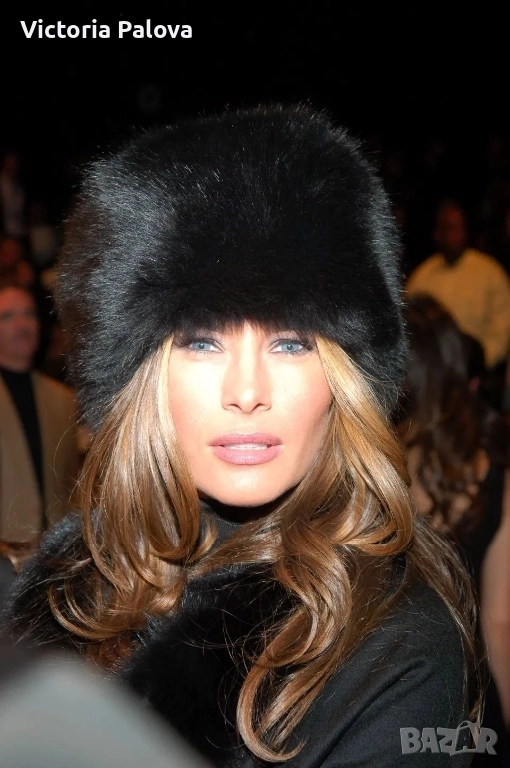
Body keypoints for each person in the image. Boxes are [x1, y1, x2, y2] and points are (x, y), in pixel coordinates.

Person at [1, 105, 481, 766]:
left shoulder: (395, 648)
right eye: (202, 341)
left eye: (291, 342)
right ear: (143, 376)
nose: (248, 390)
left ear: (343, 377)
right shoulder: (54, 592)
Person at [396, 293, 510, 765]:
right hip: (472, 709)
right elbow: (499, 624)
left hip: (390, 698)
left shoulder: (361, 479)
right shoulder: (494, 473)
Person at [0, 281, 80, 574]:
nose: (22, 324)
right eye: (8, 316)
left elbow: (71, 480)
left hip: (54, 557)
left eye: (30, 314)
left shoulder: (62, 398)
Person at [406, 199, 510, 371]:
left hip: (477, 373)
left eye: (454, 227)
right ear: (436, 234)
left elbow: (502, 329)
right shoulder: (422, 276)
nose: (449, 235)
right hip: (430, 373)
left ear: (465, 231)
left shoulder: (490, 273)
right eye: (444, 228)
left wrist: (478, 363)